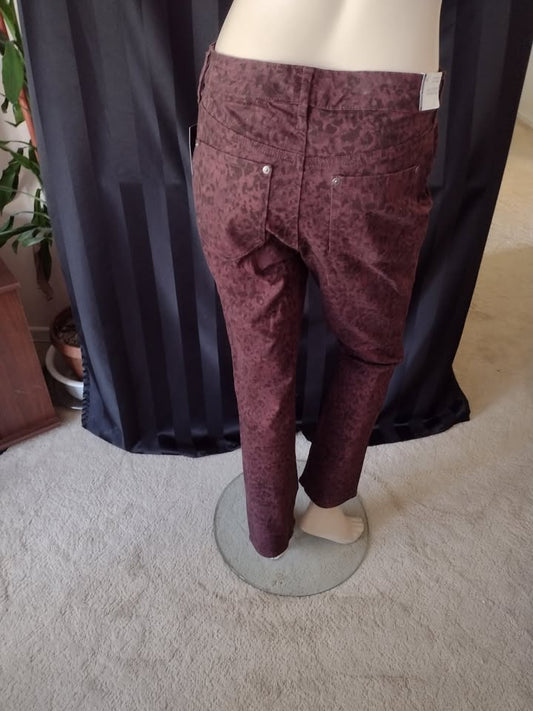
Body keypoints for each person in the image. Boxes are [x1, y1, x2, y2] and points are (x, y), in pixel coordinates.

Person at [192, 0, 444, 558]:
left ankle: (267, 533)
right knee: (369, 347)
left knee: (258, 357)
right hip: (381, 117)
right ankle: (325, 507)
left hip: (245, 94)